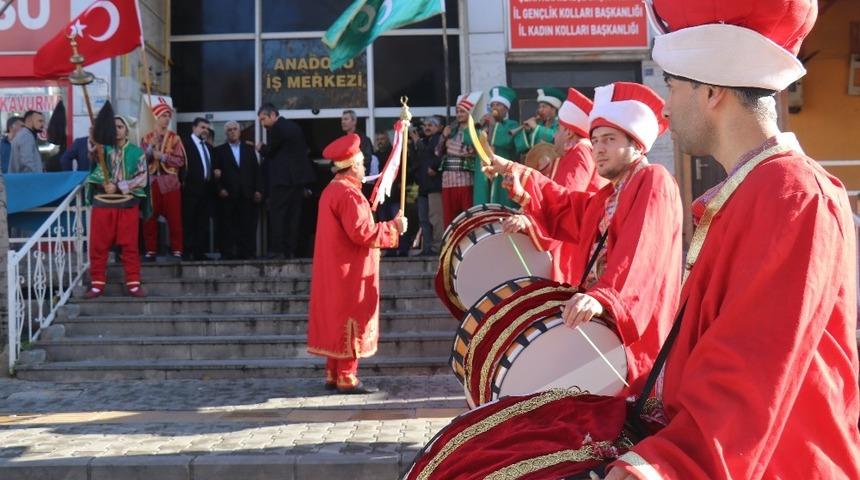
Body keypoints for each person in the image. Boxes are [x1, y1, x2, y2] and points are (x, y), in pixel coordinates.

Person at [604, 1, 860, 478]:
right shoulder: (755, 189)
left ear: (712, 91)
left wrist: (667, 463)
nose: (666, 104)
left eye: (673, 85)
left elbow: (752, 365)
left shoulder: (793, 194)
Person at [488, 82, 683, 396]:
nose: (598, 149)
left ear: (637, 144)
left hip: (629, 334)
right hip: (602, 325)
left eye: (609, 139)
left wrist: (605, 296)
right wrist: (520, 174)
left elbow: (643, 253)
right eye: (595, 140)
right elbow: (569, 209)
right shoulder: (610, 194)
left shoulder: (653, 179)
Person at [307, 133, 407, 394]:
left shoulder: (331, 190)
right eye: (362, 163)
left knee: (335, 318)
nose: (364, 168)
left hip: (335, 268)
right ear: (352, 166)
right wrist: (394, 227)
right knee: (350, 319)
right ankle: (347, 377)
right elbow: (362, 232)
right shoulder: (350, 195)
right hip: (350, 270)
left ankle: (333, 373)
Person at [506, 87, 608, 283]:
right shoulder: (575, 153)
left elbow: (565, 204)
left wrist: (530, 222)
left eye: (558, 130)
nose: (554, 136)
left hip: (576, 245)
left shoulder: (580, 152)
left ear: (569, 132)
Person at [82, 116, 148, 299]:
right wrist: (94, 140)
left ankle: (133, 283)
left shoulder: (137, 152)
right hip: (103, 204)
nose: (117, 130)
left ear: (126, 130)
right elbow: (92, 156)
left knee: (130, 246)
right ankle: (97, 284)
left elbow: (142, 178)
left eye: (120, 126)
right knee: (98, 245)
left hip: (127, 205)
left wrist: (119, 186)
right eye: (114, 127)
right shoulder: (104, 149)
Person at [257, 103, 317, 259]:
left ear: (272, 115)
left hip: (282, 180)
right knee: (293, 216)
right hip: (296, 181)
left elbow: (270, 152)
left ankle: (278, 250)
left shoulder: (276, 129)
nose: (262, 124)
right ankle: (290, 250)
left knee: (278, 215)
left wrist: (260, 148)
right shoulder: (293, 127)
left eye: (263, 119)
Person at [141, 101, 186, 261]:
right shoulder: (147, 138)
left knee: (174, 218)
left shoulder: (175, 138)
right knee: (149, 217)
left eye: (168, 116)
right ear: (156, 117)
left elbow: (180, 161)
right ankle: (151, 250)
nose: (166, 119)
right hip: (152, 181)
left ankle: (177, 250)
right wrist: (149, 150)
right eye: (163, 116)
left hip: (170, 182)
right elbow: (141, 162)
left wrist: (164, 157)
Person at [213, 121, 262, 260]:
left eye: (235, 129)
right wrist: (220, 189)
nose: (232, 132)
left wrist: (258, 190)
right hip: (228, 195)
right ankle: (228, 253)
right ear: (226, 133)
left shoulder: (248, 149)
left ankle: (247, 253)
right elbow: (215, 173)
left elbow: (256, 171)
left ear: (239, 132)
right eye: (229, 130)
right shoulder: (219, 150)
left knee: (247, 225)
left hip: (247, 194)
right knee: (228, 226)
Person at [476, 86, 526, 207]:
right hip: (483, 171)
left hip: (504, 170)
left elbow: (509, 142)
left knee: (502, 202)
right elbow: (471, 140)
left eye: (498, 105)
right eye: (492, 105)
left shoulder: (512, 124)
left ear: (506, 109)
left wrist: (494, 126)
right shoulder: (485, 126)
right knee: (483, 202)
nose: (494, 108)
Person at [437, 91, 480, 226]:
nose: (459, 114)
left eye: (463, 111)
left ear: (470, 113)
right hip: (447, 181)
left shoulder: (475, 130)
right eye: (458, 111)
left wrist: (450, 146)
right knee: (449, 220)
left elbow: (470, 151)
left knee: (467, 218)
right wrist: (443, 137)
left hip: (465, 180)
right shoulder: (452, 130)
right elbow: (437, 151)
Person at [181, 117, 216, 261]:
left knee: (202, 223)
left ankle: (199, 252)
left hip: (206, 191)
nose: (205, 131)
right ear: (194, 128)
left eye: (207, 128)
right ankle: (187, 252)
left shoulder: (208, 147)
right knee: (189, 221)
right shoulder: (185, 144)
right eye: (202, 127)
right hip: (190, 190)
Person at [410, 116, 444, 255]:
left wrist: (417, 141)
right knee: (423, 220)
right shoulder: (423, 141)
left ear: (438, 128)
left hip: (434, 186)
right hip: (423, 187)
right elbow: (416, 161)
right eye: (425, 125)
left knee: (435, 219)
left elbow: (430, 154)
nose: (427, 128)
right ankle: (427, 248)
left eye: (431, 125)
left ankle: (437, 248)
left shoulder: (438, 140)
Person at [513, 87, 563, 152]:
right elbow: (522, 148)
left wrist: (536, 127)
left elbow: (554, 137)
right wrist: (527, 132)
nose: (540, 110)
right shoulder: (540, 124)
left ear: (553, 109)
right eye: (539, 107)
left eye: (544, 106)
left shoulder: (561, 124)